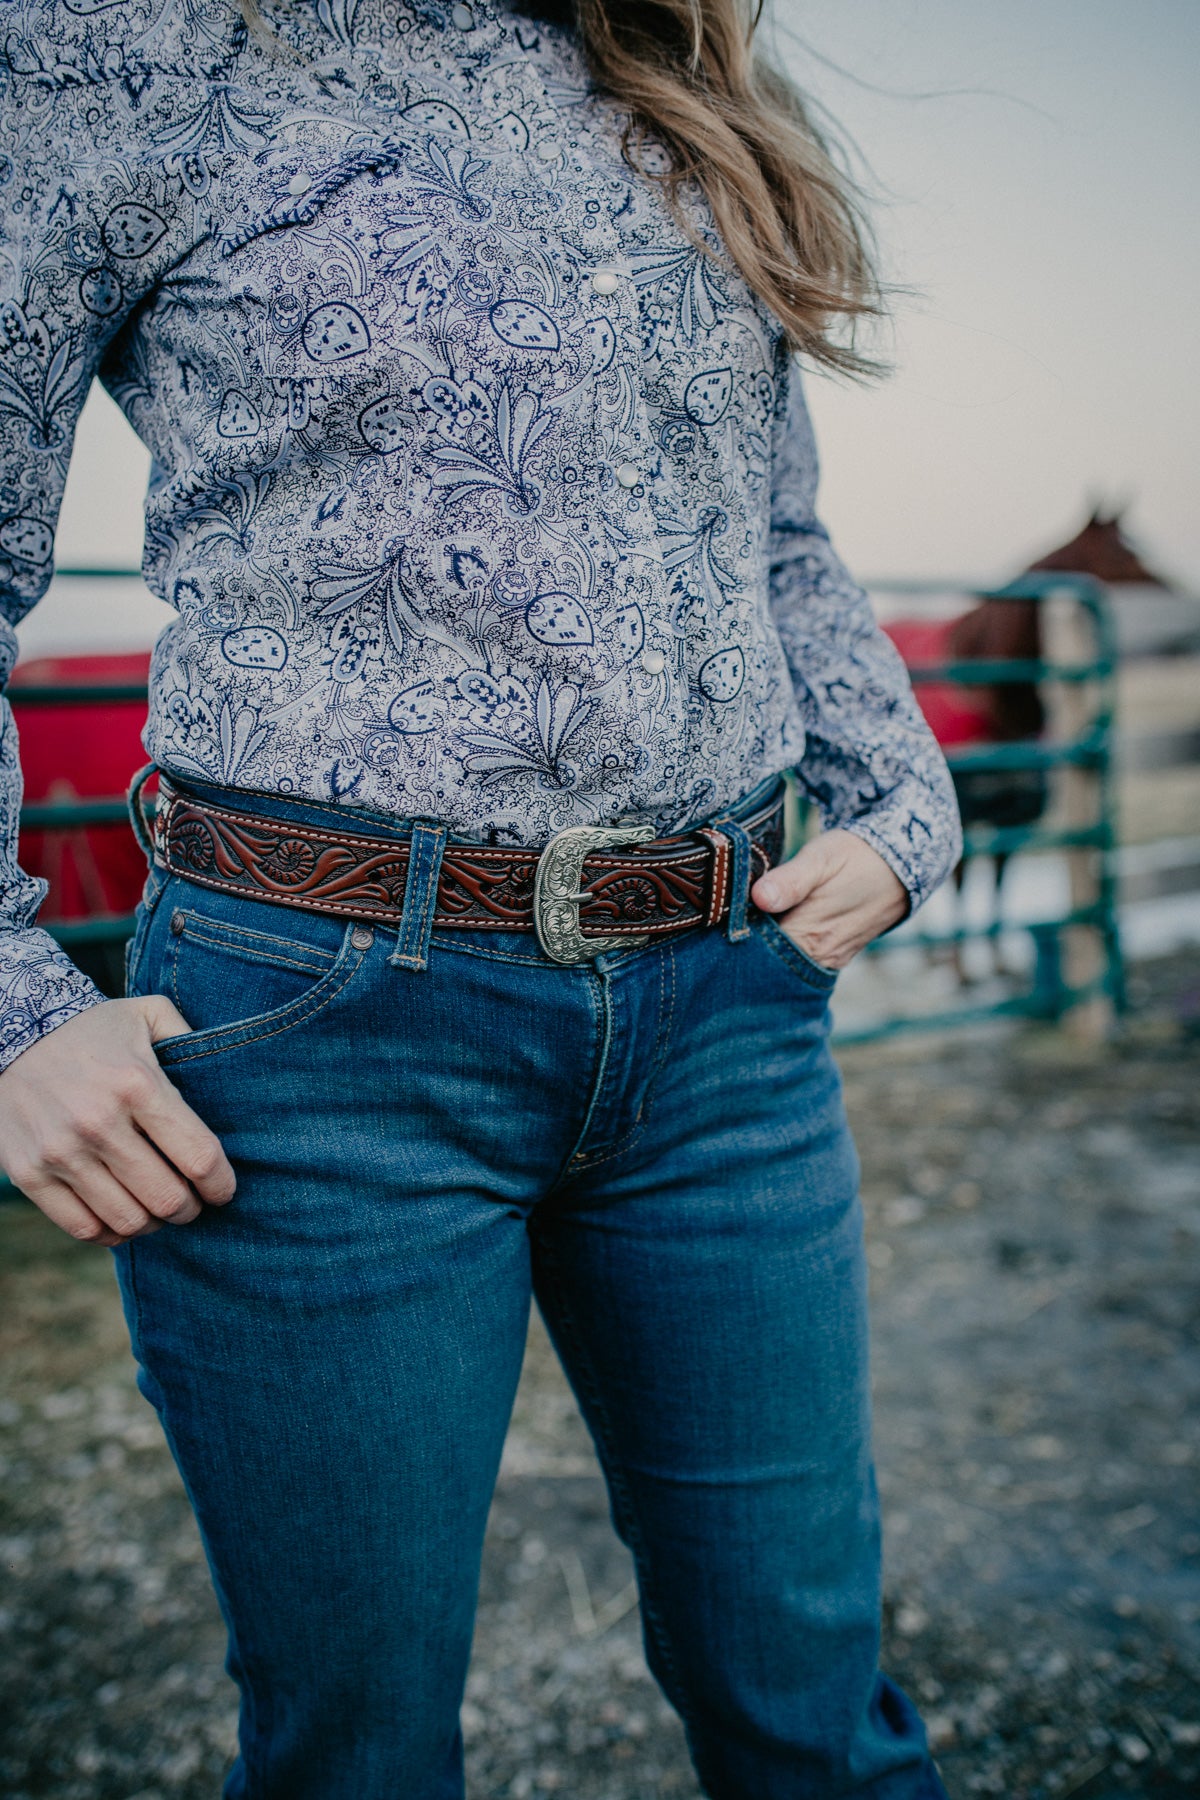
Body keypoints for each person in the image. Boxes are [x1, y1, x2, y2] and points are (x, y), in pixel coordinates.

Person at [0, 2, 961, 1794]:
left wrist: (906, 802)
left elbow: (771, 536)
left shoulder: (680, 71)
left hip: (731, 1025)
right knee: (355, 1753)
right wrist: (10, 1005)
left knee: (814, 1715)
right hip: (317, 1047)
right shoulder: (112, 46)